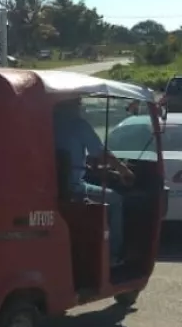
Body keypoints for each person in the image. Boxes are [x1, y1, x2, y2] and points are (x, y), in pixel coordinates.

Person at [53, 98, 135, 265]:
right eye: (79, 104)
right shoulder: (78, 125)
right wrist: (123, 171)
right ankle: (113, 256)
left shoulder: (48, 122)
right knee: (115, 199)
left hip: (51, 186)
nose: (80, 108)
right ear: (73, 106)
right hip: (73, 187)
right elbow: (101, 152)